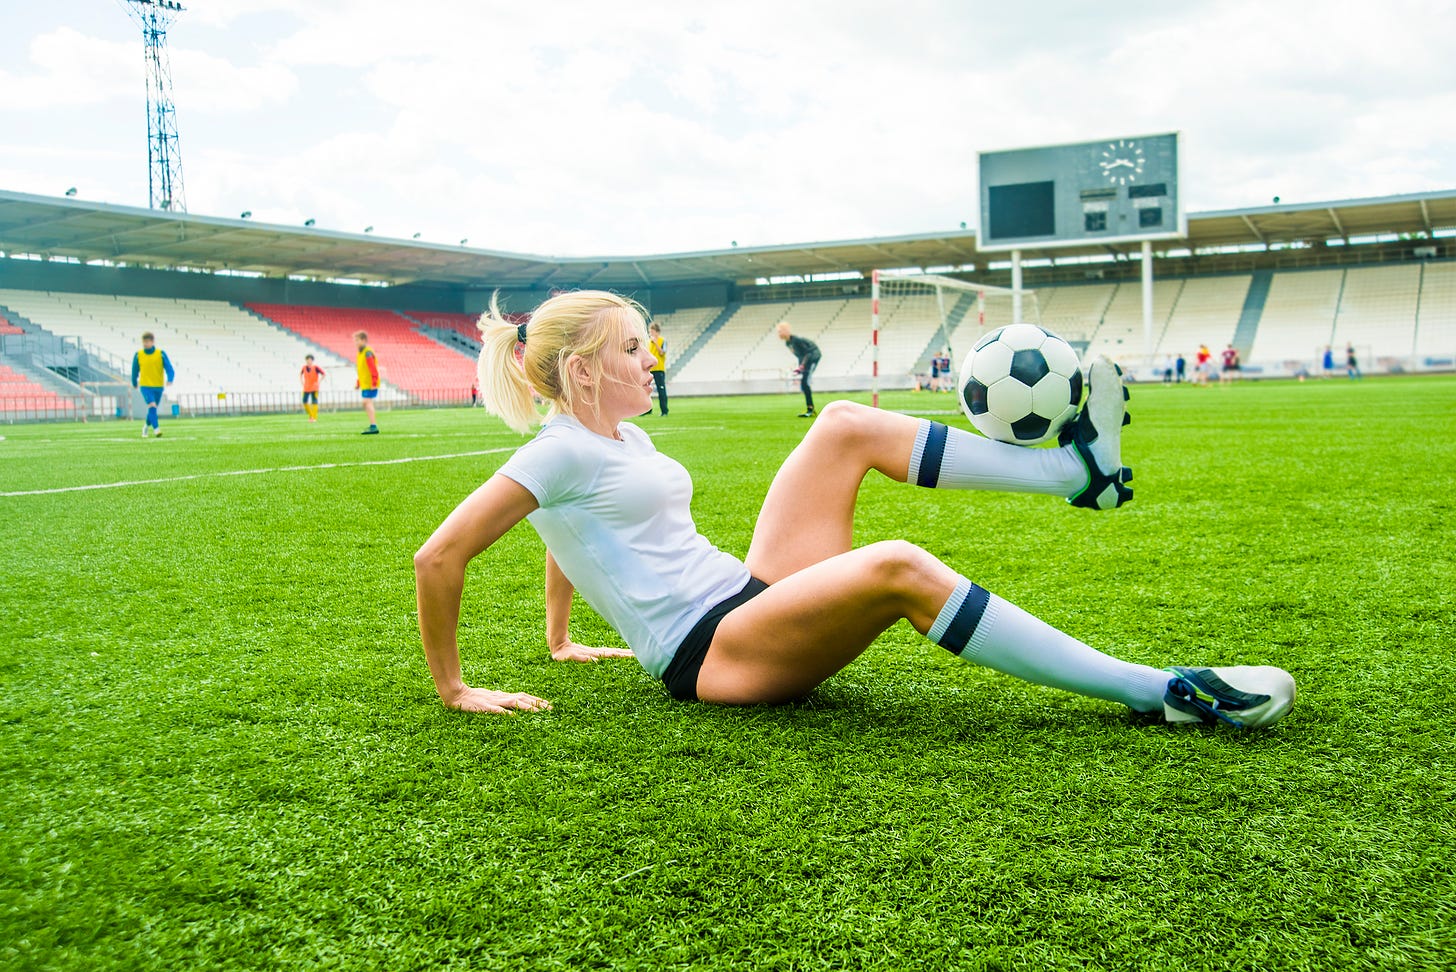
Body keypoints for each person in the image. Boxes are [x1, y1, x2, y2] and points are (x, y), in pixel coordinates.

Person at [413, 289, 1294, 731]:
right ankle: (1163, 693)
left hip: (749, 598)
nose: (653, 365)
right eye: (637, 352)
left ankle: (1077, 473)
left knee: (840, 426)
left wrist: (560, 638)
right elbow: (438, 556)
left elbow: (565, 530)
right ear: (585, 370)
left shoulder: (616, 446)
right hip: (714, 655)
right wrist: (456, 688)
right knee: (897, 566)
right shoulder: (559, 448)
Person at [131, 331, 175, 438]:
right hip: (145, 386)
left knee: (152, 409)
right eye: (144, 342)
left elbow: (169, 368)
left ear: (152, 342)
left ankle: (146, 426)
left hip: (158, 386)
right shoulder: (138, 355)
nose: (145, 344)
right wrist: (134, 382)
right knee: (152, 405)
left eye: (147, 342)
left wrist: (170, 379)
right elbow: (134, 370)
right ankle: (156, 429)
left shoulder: (160, 354)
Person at [776, 320, 821, 417]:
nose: (778, 333)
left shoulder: (796, 340)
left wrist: (802, 366)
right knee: (804, 384)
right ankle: (810, 409)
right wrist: (800, 367)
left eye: (779, 331)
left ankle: (811, 410)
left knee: (805, 383)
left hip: (814, 356)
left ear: (785, 331)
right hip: (807, 360)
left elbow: (807, 353)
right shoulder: (788, 343)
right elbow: (800, 356)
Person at [354, 330, 381, 434]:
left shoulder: (367, 352)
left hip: (370, 383)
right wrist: (358, 383)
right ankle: (372, 425)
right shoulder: (359, 353)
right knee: (366, 403)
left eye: (357, 340)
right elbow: (361, 370)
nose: (356, 343)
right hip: (365, 383)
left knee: (366, 402)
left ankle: (374, 426)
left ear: (364, 340)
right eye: (355, 341)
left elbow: (373, 369)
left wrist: (374, 382)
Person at [647, 321, 668, 415]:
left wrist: (656, 343)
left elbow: (662, 353)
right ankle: (648, 410)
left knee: (661, 390)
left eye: (651, 331)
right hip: (650, 370)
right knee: (647, 390)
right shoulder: (648, 342)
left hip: (659, 369)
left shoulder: (662, 340)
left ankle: (664, 411)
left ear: (656, 331)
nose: (650, 333)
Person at [300, 354, 325, 422]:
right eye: (307, 360)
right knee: (304, 401)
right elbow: (300, 374)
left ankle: (314, 417)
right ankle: (311, 415)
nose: (309, 361)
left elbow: (323, 374)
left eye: (310, 360)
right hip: (306, 387)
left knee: (314, 401)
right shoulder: (304, 368)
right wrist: (302, 382)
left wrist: (319, 382)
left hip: (314, 387)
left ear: (312, 361)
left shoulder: (316, 367)